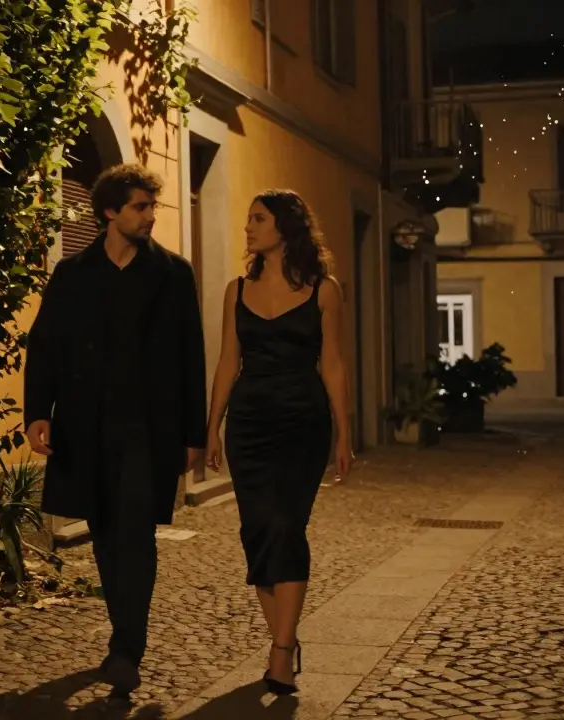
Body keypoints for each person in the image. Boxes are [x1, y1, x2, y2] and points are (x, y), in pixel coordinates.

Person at [24, 163, 207, 697]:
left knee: (138, 533)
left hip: (149, 429)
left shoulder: (173, 273)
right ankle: (122, 638)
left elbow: (190, 357)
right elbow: (46, 344)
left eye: (152, 206)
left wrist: (193, 434)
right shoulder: (74, 274)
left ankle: (127, 647)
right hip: (86, 425)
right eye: (140, 207)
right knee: (104, 531)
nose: (150, 216)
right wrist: (38, 412)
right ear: (110, 211)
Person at [204, 189, 352, 696]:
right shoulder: (236, 290)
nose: (247, 227)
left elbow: (332, 363)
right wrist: (212, 427)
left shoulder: (324, 290)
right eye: (247, 219)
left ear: (284, 228)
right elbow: (228, 361)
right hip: (249, 424)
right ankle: (286, 640)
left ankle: (281, 651)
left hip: (302, 422)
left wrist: (344, 433)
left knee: (287, 526)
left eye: (257, 219)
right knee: (259, 531)